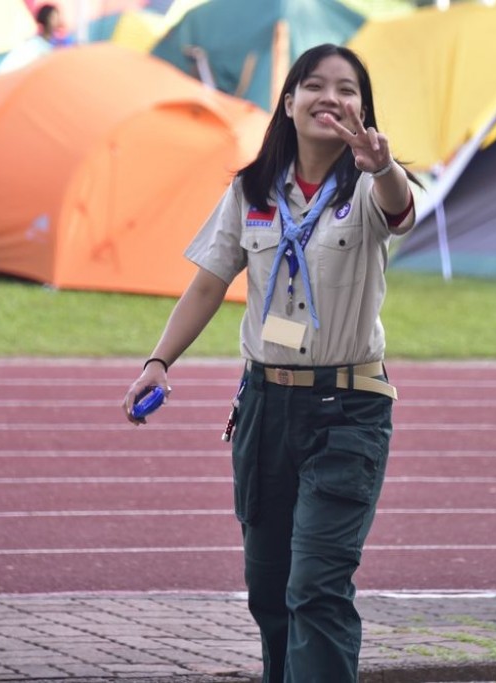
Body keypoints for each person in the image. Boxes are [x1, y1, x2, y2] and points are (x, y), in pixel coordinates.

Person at [121, 43, 420, 682]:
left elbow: (400, 214)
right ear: (288, 102)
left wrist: (385, 166)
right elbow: (207, 283)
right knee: (268, 588)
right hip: (265, 406)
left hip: (348, 411)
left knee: (315, 586)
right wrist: (159, 360)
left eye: (347, 89)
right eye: (315, 85)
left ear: (363, 110)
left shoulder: (368, 184)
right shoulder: (252, 190)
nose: (330, 98)